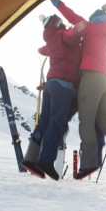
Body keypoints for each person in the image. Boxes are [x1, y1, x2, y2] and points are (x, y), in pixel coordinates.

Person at [51, 0, 106, 179]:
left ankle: (89, 163)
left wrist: (56, 2)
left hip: (91, 77)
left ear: (93, 19)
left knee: (86, 121)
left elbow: (70, 15)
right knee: (105, 120)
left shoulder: (89, 27)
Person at [22, 12, 83, 180]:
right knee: (57, 121)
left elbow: (41, 50)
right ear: (58, 24)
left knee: (45, 120)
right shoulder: (64, 35)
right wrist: (80, 26)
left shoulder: (51, 40)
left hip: (50, 84)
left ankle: (30, 159)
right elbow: (74, 34)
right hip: (63, 85)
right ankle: (46, 161)